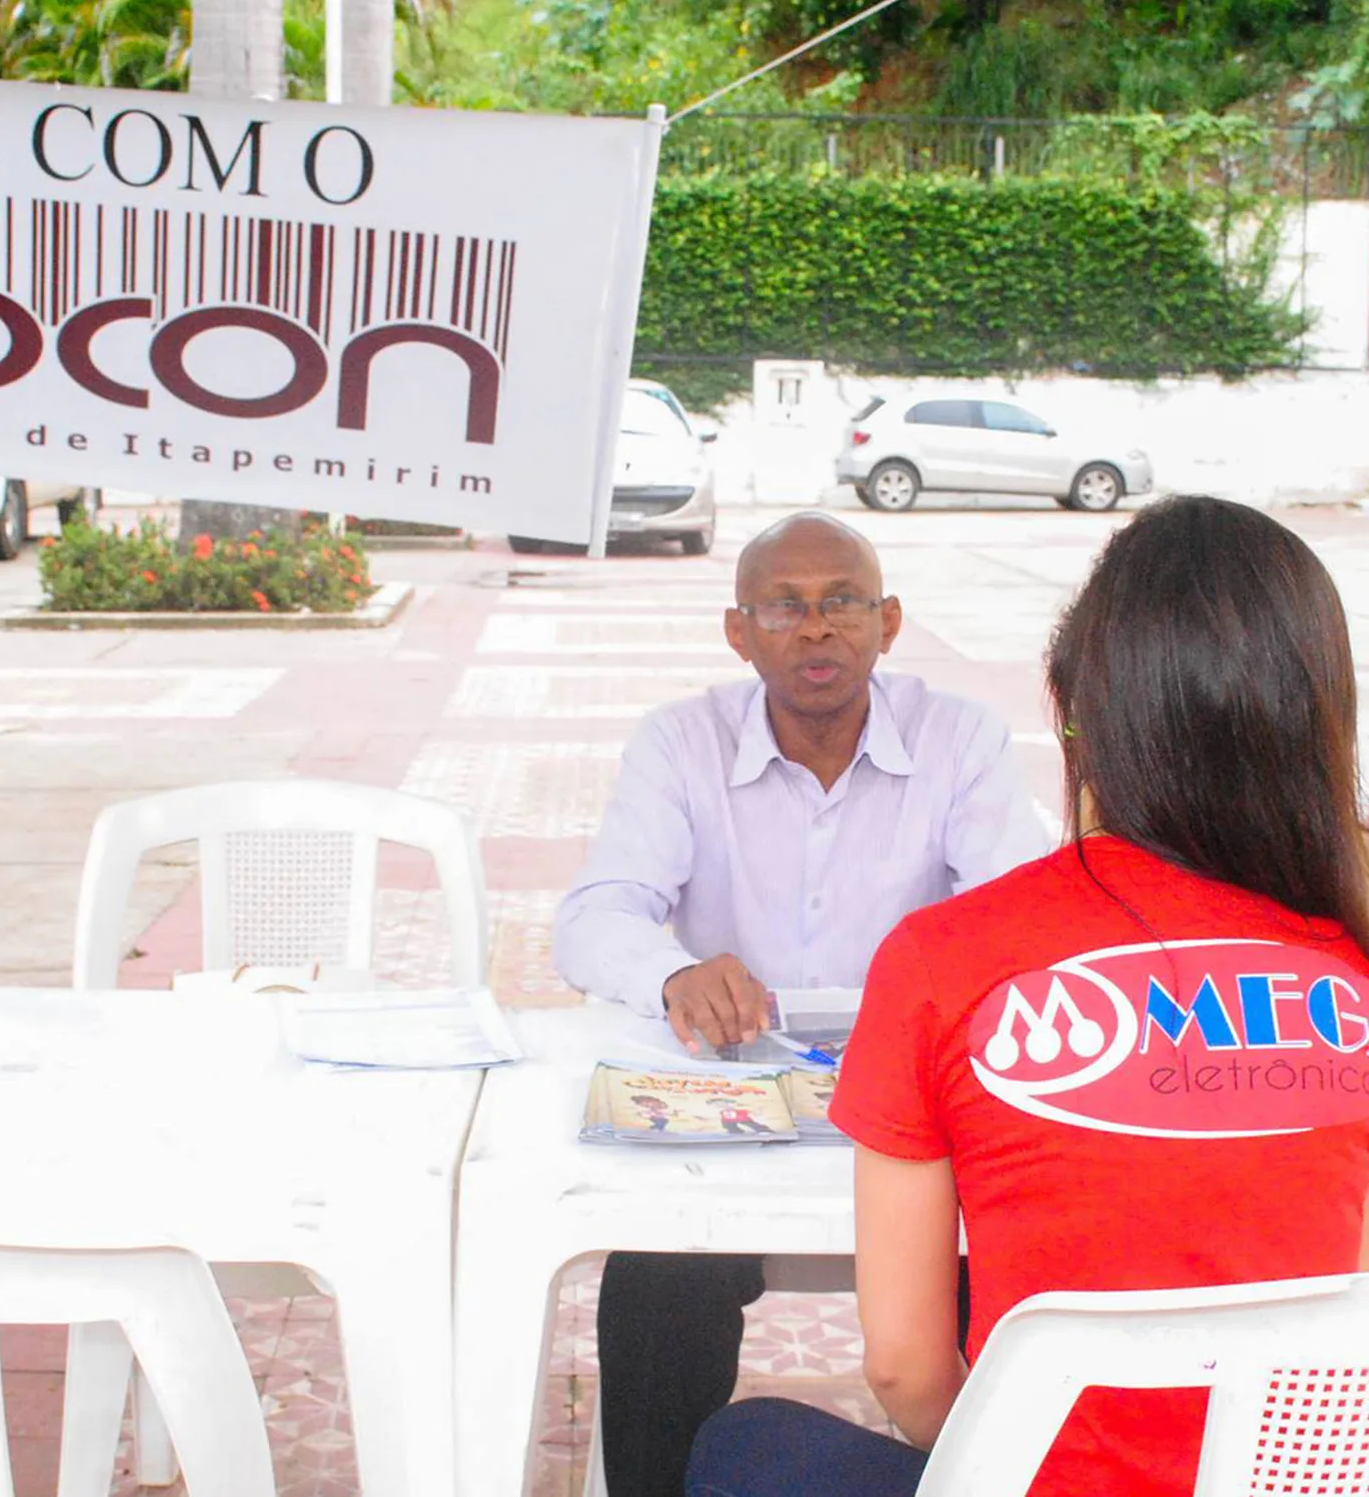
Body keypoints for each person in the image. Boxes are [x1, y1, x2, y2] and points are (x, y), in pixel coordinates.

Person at [686, 496, 1369, 1497]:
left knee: (742, 1446)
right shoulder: (1349, 943)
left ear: (1073, 715)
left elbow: (904, 1367)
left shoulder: (941, 959)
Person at [553, 511, 1049, 1497]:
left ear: (888, 621)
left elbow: (1018, 916)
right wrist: (669, 972)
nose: (814, 630)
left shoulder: (959, 737)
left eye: (842, 604)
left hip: (917, 1112)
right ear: (737, 630)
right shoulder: (678, 741)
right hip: (726, 1102)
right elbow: (592, 915)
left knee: (999, 1258)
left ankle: (985, 1474)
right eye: (783, 607)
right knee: (656, 1276)